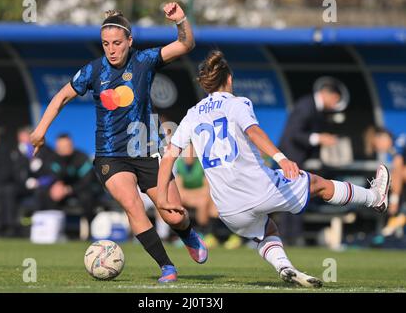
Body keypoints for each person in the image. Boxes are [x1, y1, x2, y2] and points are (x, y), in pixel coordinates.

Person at [157, 50, 391, 288]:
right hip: (259, 188)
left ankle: (284, 267)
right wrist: (282, 159)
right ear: (229, 79)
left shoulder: (192, 115)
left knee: (267, 229)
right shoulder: (237, 103)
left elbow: (168, 157)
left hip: (227, 208)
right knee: (318, 184)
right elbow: (254, 132)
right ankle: (375, 198)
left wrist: (163, 201)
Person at [30, 2, 207, 283]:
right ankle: (167, 267)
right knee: (132, 204)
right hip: (110, 155)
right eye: (105, 44)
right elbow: (62, 96)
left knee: (173, 216)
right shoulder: (93, 71)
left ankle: (187, 233)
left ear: (129, 41)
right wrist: (40, 130)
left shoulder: (145, 60)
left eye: (116, 43)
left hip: (146, 150)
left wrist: (180, 19)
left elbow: (185, 44)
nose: (111, 50)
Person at [277, 77, 344, 245]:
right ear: (327, 94)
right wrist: (319, 138)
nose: (336, 104)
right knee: (290, 197)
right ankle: (287, 237)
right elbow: (294, 134)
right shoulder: (306, 106)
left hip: (298, 158)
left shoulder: (318, 109)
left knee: (298, 195)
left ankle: (294, 236)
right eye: (336, 99)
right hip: (290, 157)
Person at [7, 126, 54, 236]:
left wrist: (39, 181)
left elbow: (51, 173)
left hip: (39, 188)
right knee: (8, 192)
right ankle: (11, 228)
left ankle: (33, 229)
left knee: (39, 197)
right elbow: (12, 171)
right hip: (20, 186)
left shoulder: (46, 151)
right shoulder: (14, 151)